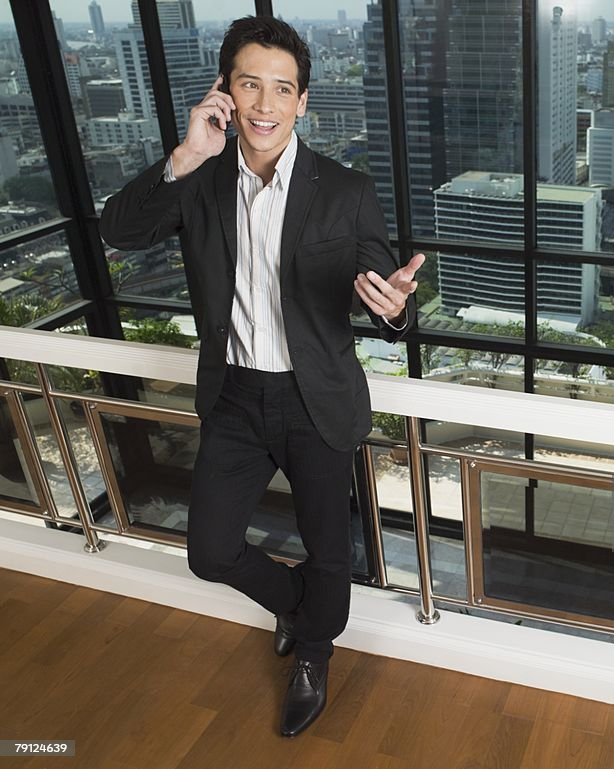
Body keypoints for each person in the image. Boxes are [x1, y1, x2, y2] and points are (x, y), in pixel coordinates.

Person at [99, 16, 421, 737]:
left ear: (303, 102)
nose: (266, 104)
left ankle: (313, 650)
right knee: (210, 551)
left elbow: (390, 296)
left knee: (329, 548)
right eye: (250, 84)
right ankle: (300, 604)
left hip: (316, 399)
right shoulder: (202, 179)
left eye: (282, 89)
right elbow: (117, 231)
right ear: (226, 93)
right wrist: (183, 154)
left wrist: (396, 311)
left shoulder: (345, 189)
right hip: (237, 395)